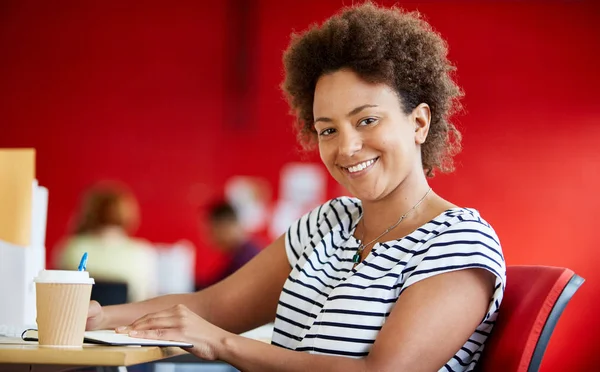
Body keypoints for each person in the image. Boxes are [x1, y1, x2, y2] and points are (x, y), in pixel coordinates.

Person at [85, 3, 505, 371]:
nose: (347, 146)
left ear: (419, 122)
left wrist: (223, 344)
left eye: (367, 120)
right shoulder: (328, 223)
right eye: (327, 129)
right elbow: (213, 307)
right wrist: (96, 317)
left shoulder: (458, 241)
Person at [57, 181, 157, 303]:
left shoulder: (71, 248)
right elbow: (147, 300)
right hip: (127, 320)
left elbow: (61, 295)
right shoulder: (142, 253)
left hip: (81, 319)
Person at [198, 201, 262, 289]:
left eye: (212, 231)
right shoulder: (240, 256)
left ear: (226, 226)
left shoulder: (246, 260)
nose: (210, 239)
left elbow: (217, 292)